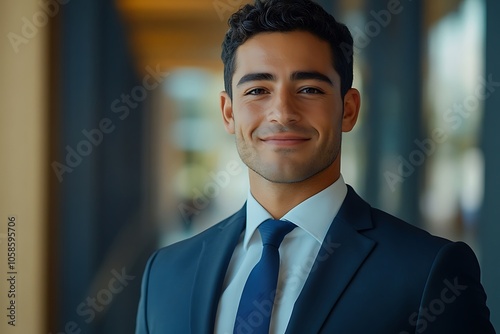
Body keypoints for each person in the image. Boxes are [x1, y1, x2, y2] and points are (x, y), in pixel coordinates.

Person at [135, 0, 495, 333]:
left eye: (309, 89)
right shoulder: (165, 274)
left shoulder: (429, 272)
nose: (282, 113)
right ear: (229, 112)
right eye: (258, 90)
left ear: (348, 109)